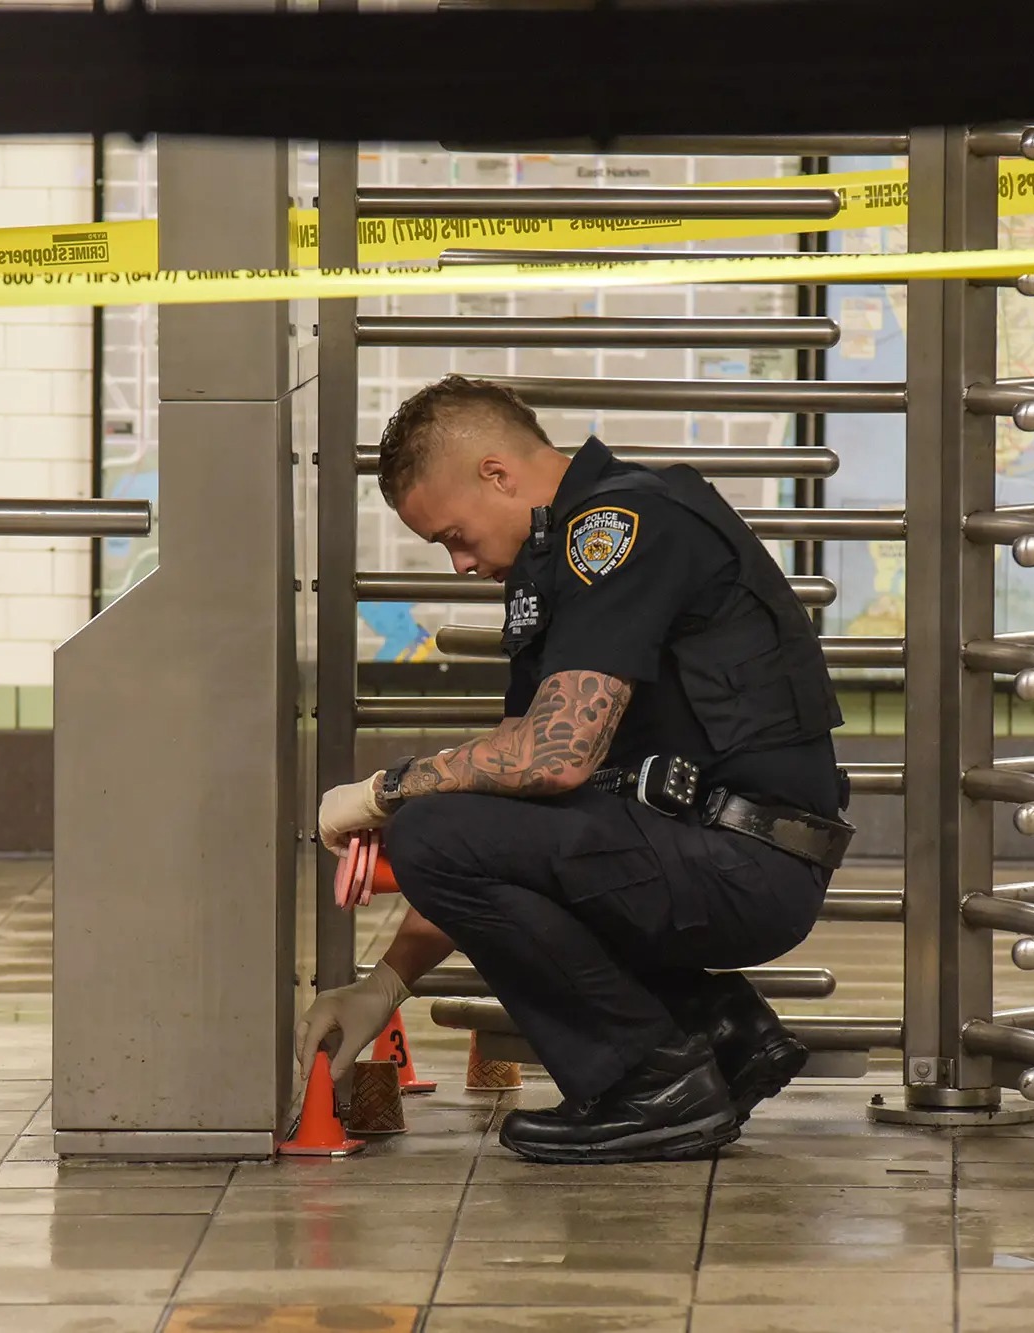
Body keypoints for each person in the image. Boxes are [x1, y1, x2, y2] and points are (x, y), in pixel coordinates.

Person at [303, 374, 853, 1165]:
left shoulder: (619, 525)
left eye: (453, 535)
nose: (459, 563)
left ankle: (650, 1081)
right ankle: (719, 1031)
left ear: (497, 473)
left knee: (429, 829)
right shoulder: (554, 560)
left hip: (748, 861)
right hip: (715, 847)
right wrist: (385, 985)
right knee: (450, 829)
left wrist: (381, 793)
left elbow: (552, 758)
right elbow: (501, 813)